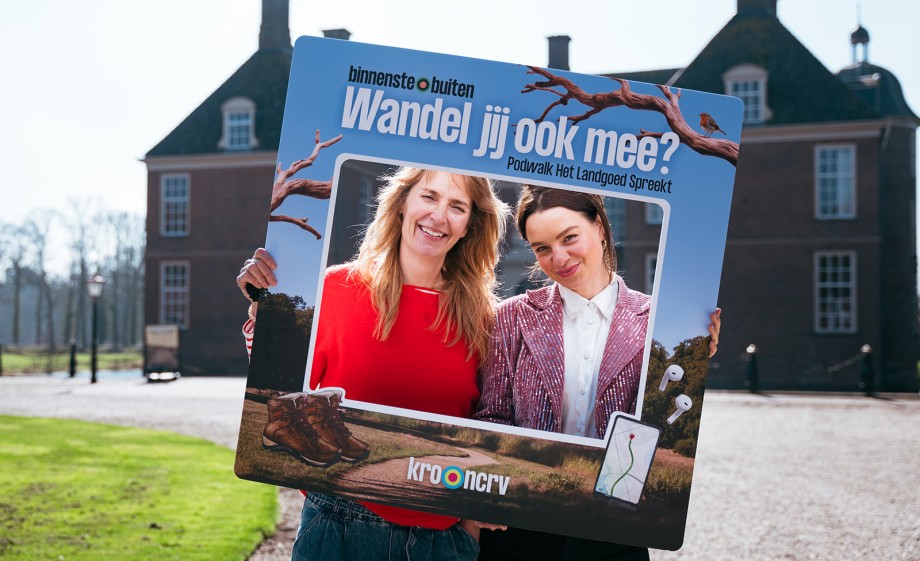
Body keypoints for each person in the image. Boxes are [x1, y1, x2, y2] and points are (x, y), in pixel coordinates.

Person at [237, 166, 510, 561]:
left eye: (457, 206)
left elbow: (493, 426)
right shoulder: (334, 290)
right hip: (337, 528)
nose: (439, 216)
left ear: (470, 224)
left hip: (440, 540)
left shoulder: (487, 322)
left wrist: (469, 527)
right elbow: (279, 392)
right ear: (402, 204)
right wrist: (261, 307)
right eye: (429, 197)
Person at [474, 185, 721, 561]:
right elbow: (491, 417)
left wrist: (695, 358)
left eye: (569, 237)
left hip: (616, 529)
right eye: (542, 248)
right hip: (521, 530)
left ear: (601, 228)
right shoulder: (511, 317)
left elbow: (667, 427)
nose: (558, 257)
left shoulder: (660, 322)